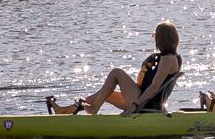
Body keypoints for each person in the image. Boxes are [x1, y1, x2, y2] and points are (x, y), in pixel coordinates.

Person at [48, 20, 183, 115]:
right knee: (106, 93)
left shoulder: (168, 60)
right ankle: (65, 111)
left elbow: (154, 87)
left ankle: (93, 109)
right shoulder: (167, 57)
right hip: (142, 99)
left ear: (162, 39)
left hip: (146, 105)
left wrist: (134, 106)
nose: (155, 40)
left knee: (116, 72)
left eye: (156, 37)